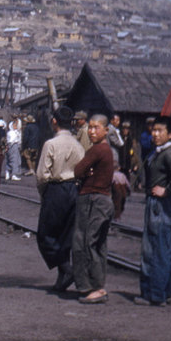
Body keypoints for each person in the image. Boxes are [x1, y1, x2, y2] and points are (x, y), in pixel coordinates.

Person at [136, 116, 171, 307]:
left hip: (160, 204)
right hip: (158, 202)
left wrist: (166, 190)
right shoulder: (158, 152)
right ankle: (166, 292)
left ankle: (154, 295)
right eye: (153, 130)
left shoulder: (168, 153)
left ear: (170, 134)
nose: (154, 134)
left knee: (154, 249)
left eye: (160, 131)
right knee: (165, 248)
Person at [35, 106, 85, 292]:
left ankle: (66, 269)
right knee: (65, 234)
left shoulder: (51, 144)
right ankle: (61, 279)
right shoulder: (77, 144)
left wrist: (44, 193)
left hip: (55, 189)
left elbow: (41, 175)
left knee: (45, 234)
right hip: (73, 188)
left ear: (54, 121)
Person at [71, 114, 115, 304]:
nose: (92, 131)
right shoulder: (105, 150)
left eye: (97, 127)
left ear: (106, 130)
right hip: (102, 200)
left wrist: (84, 170)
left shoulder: (97, 150)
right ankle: (94, 284)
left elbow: (77, 170)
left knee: (86, 242)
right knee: (97, 243)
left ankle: (94, 287)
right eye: (90, 127)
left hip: (93, 200)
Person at [5, 117, 22, 181]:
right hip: (13, 146)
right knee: (15, 160)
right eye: (14, 125)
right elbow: (12, 140)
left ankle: (7, 173)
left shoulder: (10, 132)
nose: (15, 126)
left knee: (9, 160)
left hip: (11, 146)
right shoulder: (13, 133)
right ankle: (14, 174)